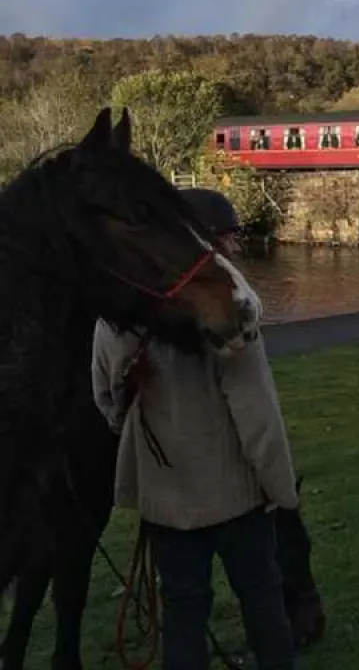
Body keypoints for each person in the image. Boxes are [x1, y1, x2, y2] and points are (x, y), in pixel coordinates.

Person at [91, 188, 298, 670]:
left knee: (183, 613)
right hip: (238, 498)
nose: (234, 247)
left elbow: (108, 403)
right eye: (228, 236)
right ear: (206, 242)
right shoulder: (231, 311)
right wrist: (281, 491)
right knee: (262, 601)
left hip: (167, 504)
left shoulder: (119, 316)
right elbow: (257, 415)